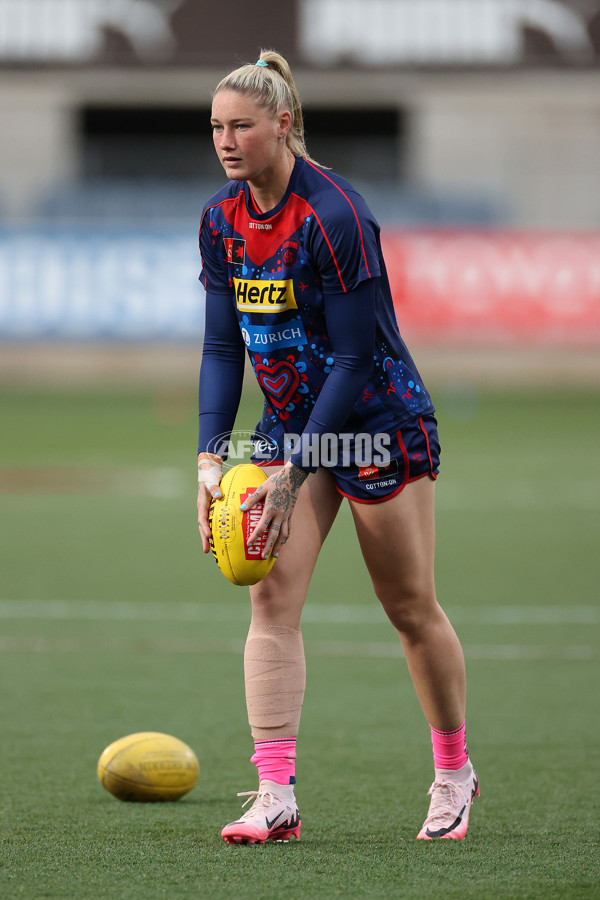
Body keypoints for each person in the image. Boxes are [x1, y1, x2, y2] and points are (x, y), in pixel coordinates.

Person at [196, 49, 479, 845]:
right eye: (216, 127)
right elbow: (223, 350)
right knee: (270, 597)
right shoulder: (221, 220)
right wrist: (211, 459)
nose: (225, 141)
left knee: (409, 608)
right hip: (292, 427)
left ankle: (455, 773)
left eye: (241, 126)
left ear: (282, 125)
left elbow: (355, 359)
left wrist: (294, 475)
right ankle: (274, 793)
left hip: (374, 424)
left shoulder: (335, 215)